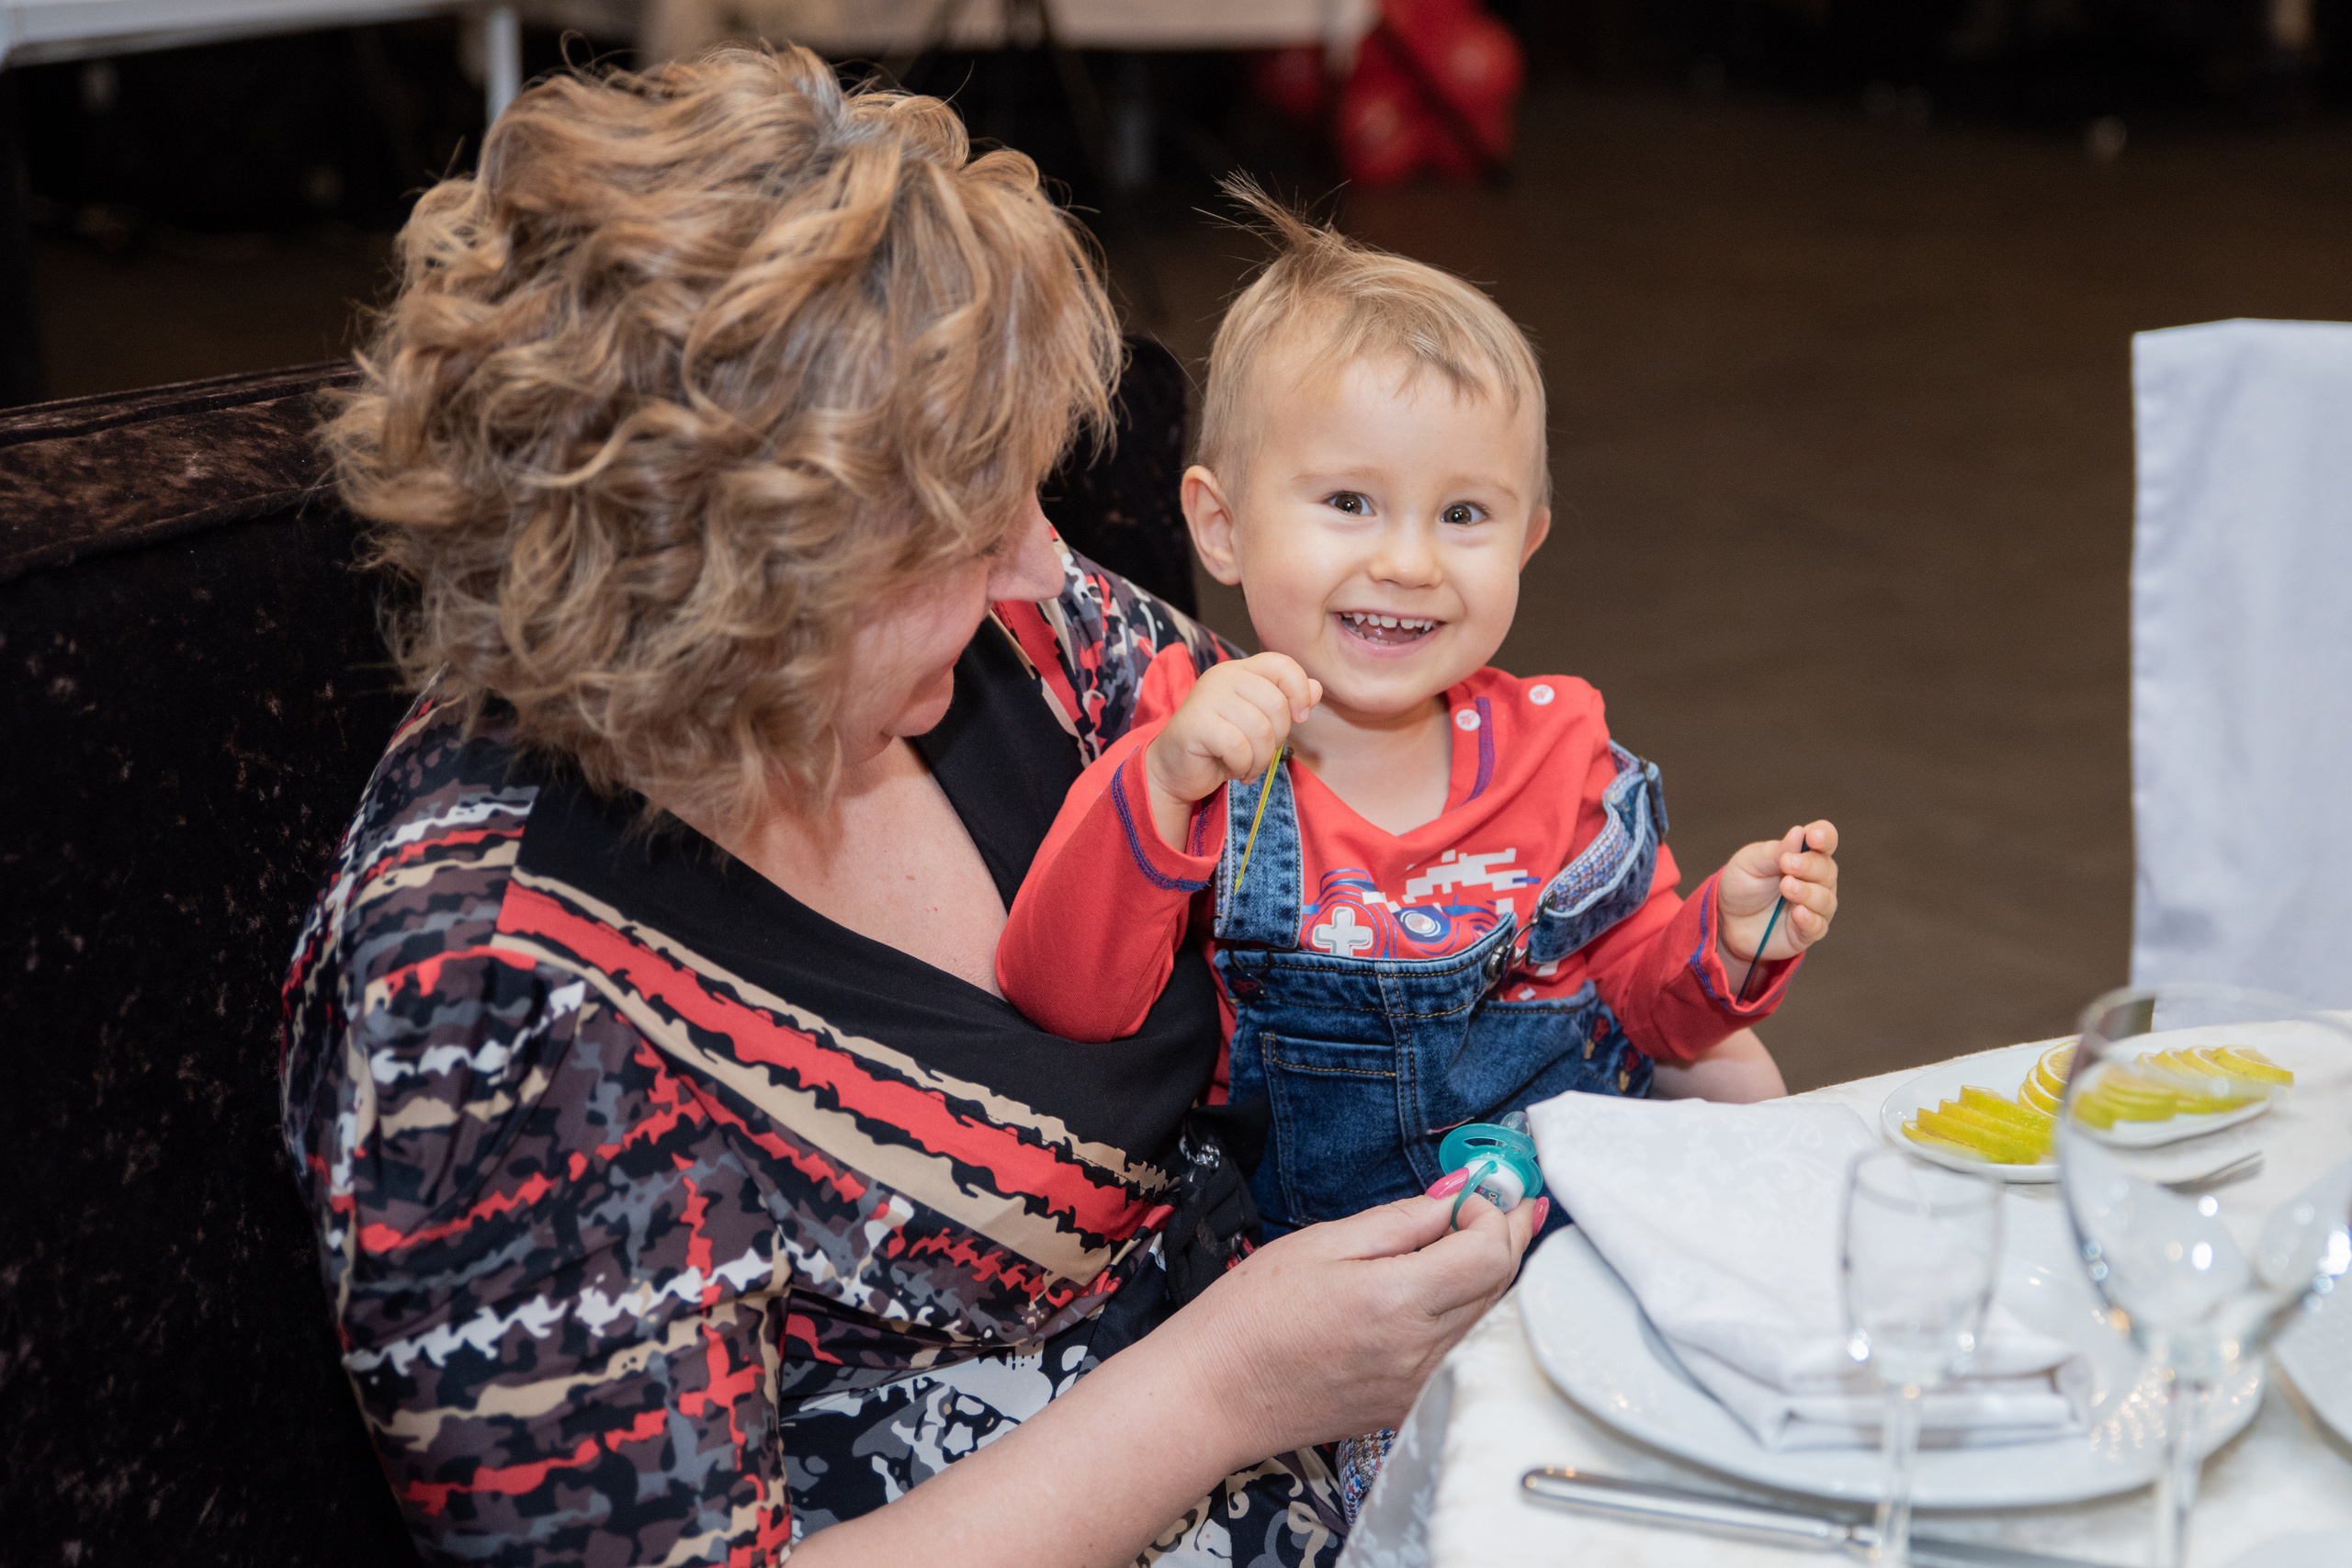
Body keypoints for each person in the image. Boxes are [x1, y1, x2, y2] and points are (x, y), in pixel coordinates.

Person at [281, 49, 1536, 1567]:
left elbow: (1378, 813)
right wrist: (1228, 1385)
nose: (1038, 561)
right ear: (746, 588)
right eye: (956, 523)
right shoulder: (492, 994)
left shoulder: (1020, 638)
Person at [997, 188, 1840, 1240]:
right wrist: (1160, 786)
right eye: (1348, 502)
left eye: (1463, 515)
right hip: (1320, 1286)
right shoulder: (1196, 739)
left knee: (1743, 1084)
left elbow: (1642, 1013)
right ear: (1219, 527)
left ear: (1525, 544)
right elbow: (1067, 1003)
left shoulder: (1559, 747)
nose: (1406, 563)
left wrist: (1724, 944)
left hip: (1564, 1231)